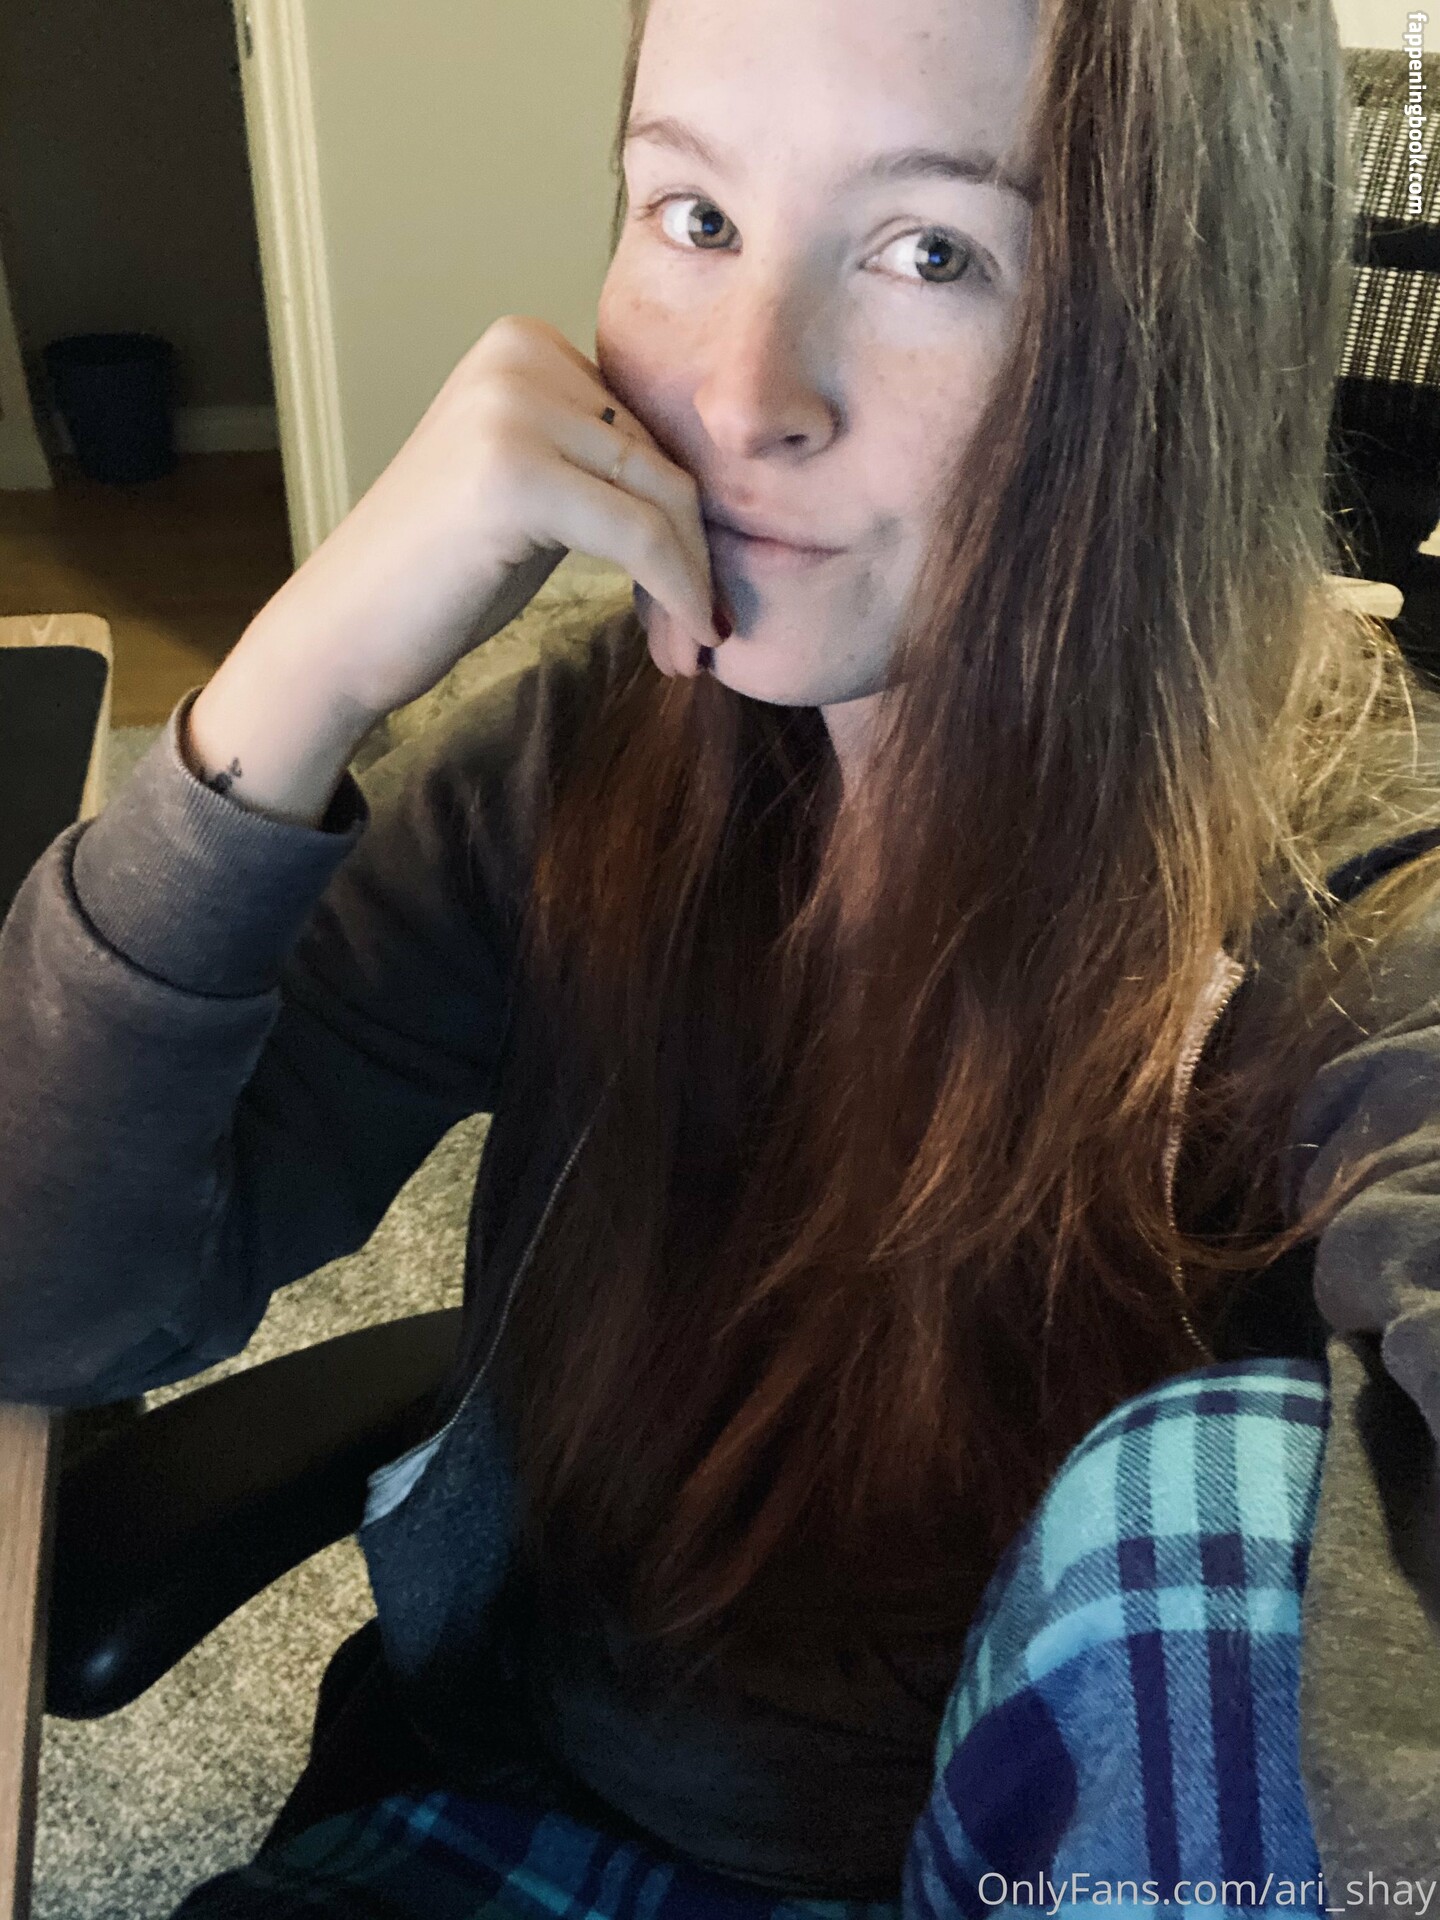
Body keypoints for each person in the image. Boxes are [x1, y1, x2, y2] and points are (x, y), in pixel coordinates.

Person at [4, 0, 1440, 1912]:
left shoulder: (1362, 911)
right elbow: (43, 1292)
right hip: (516, 1813)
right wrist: (301, 675)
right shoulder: (580, 759)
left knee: (1228, 1481)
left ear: (1190, 336)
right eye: (692, 216)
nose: (747, 392)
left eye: (932, 253)